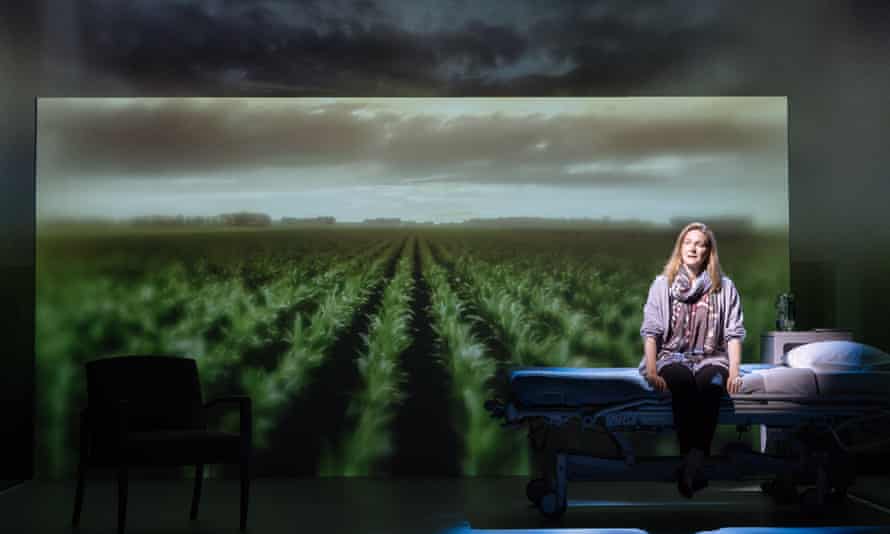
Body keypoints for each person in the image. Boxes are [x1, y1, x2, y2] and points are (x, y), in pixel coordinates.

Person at [639, 222, 746, 498]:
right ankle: (694, 463)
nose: (693, 248)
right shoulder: (662, 285)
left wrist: (734, 372)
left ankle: (692, 462)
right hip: (671, 357)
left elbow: (733, 334)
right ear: (680, 248)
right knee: (683, 384)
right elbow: (651, 332)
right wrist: (651, 370)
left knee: (711, 387)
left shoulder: (724, 287)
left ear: (709, 251)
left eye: (699, 243)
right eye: (688, 243)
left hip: (712, 356)